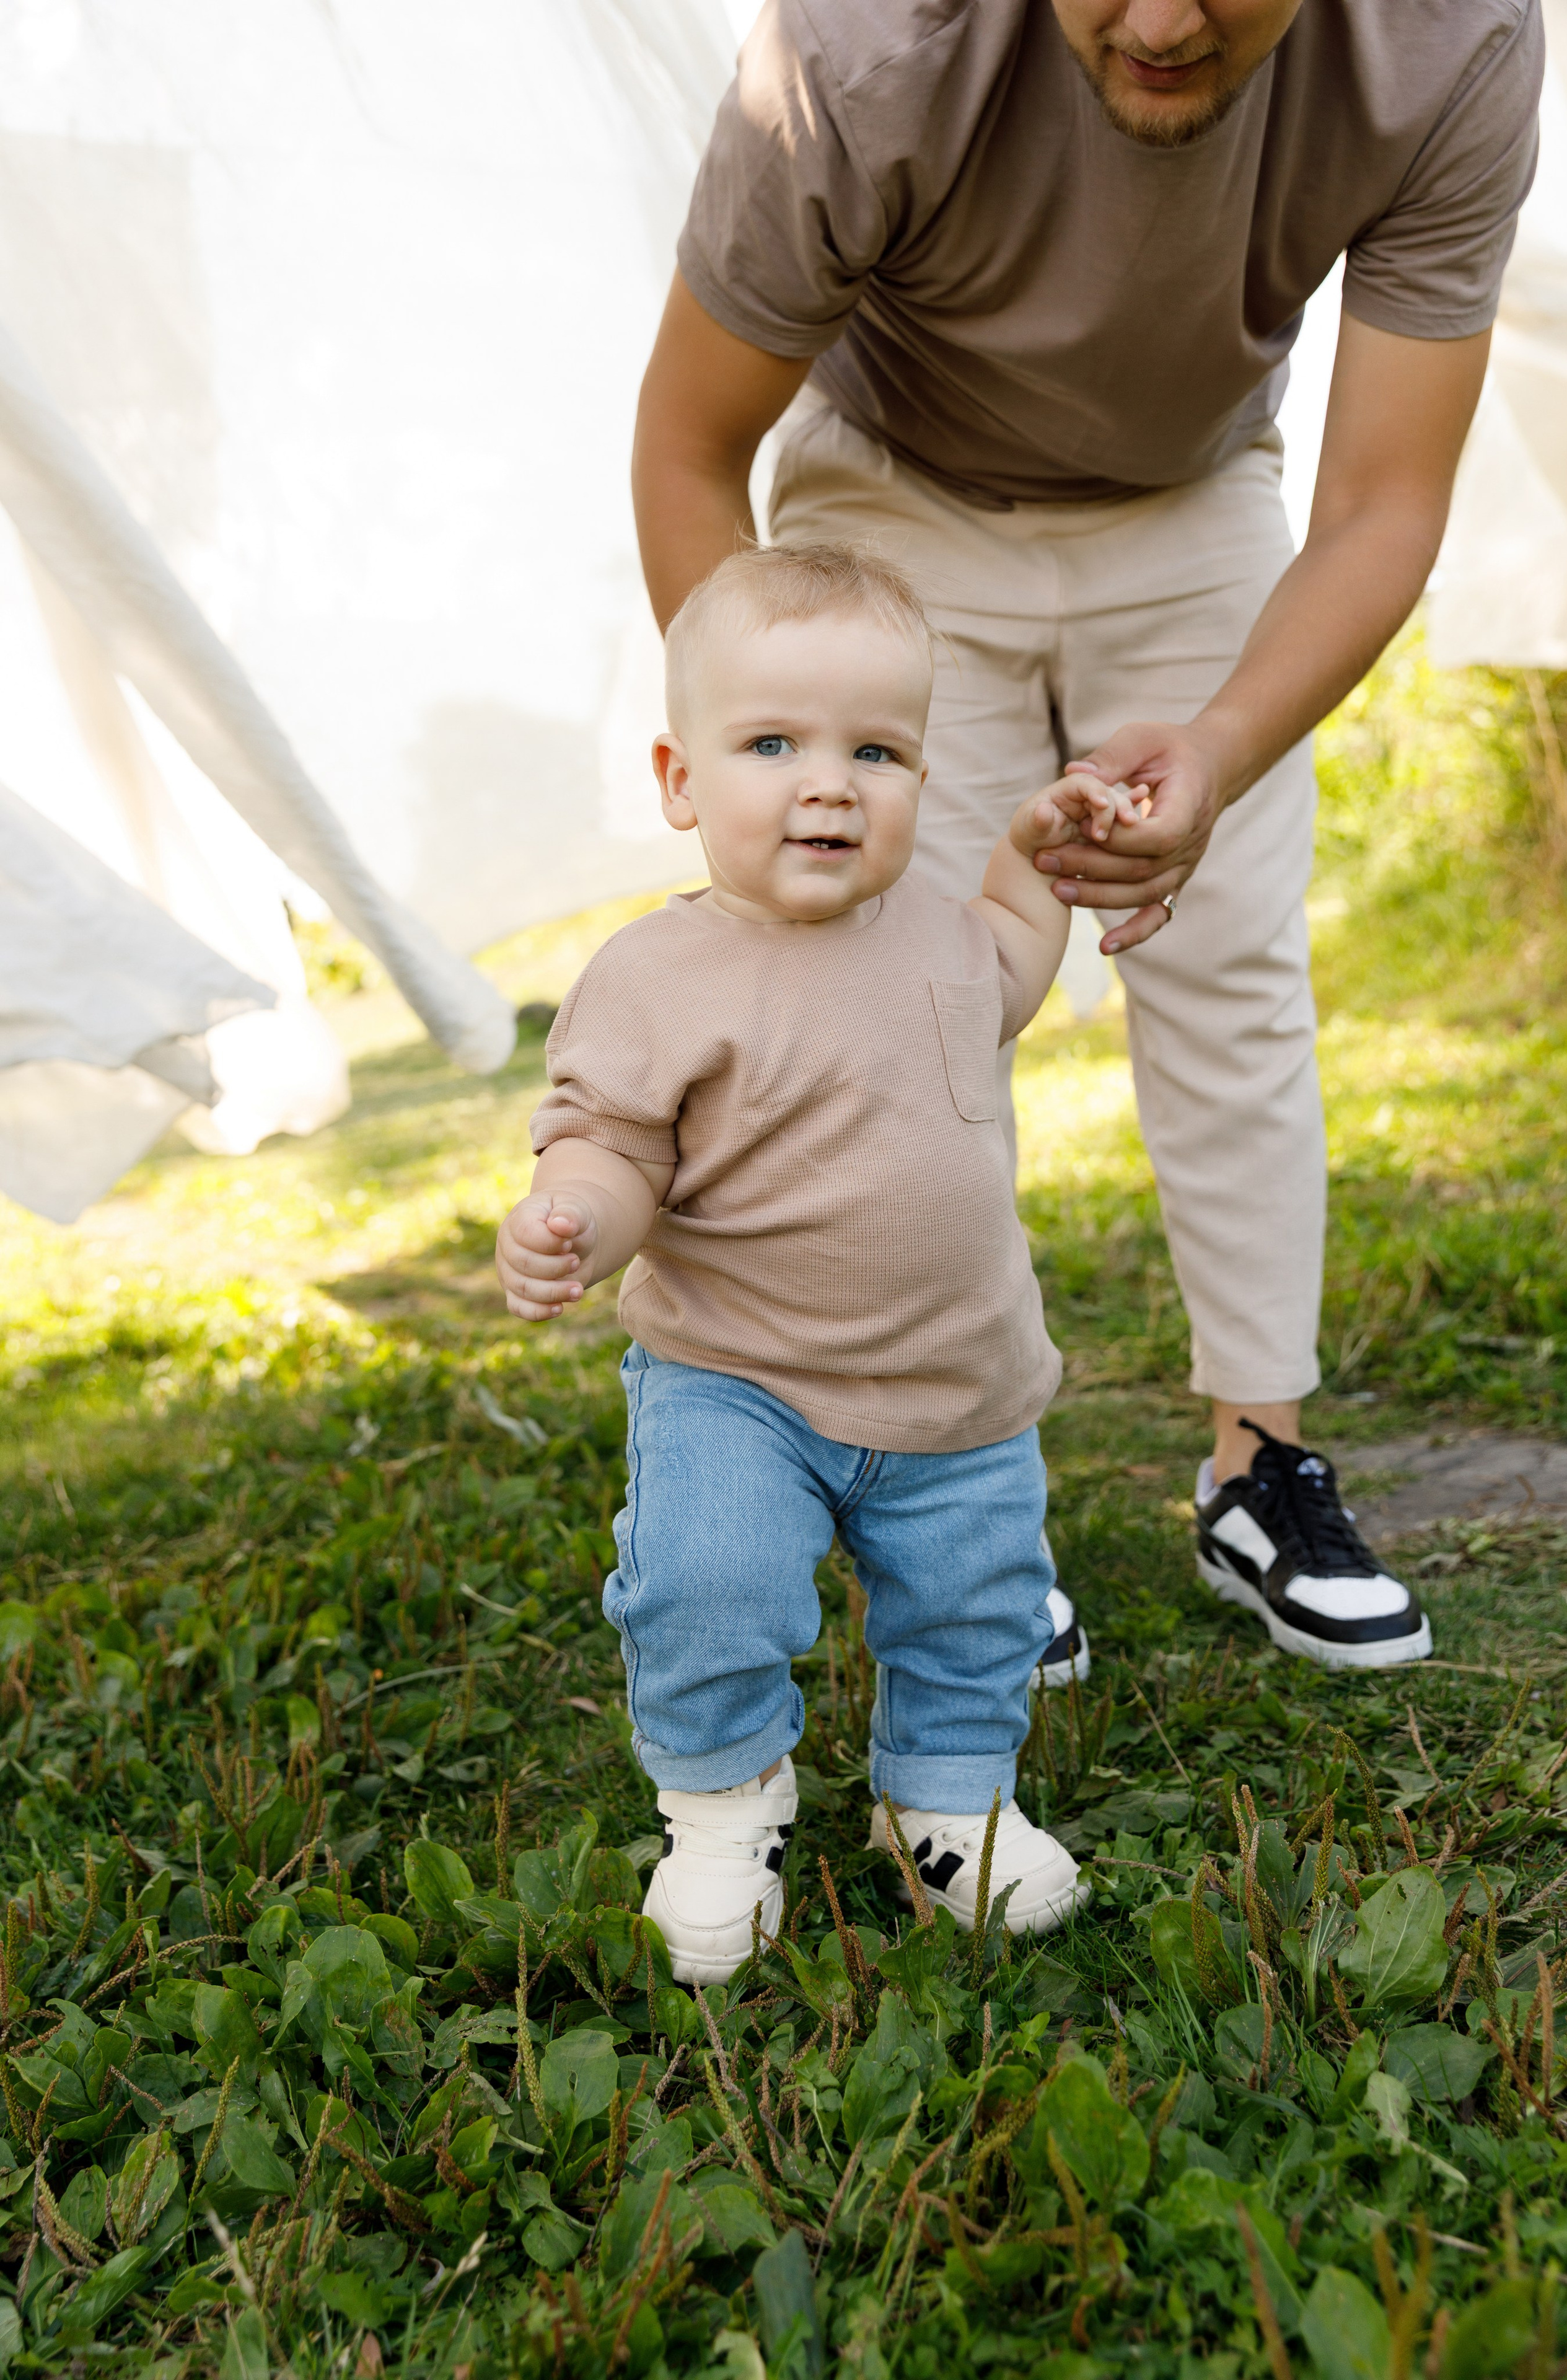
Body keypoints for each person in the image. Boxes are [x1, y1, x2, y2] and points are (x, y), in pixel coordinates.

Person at [629, 0, 1543, 1671]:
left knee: (1234, 962)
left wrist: (1219, 748)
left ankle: (1259, 1468)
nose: (1165, 21)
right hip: (897, 488)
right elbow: (691, 447)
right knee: (897, 1007)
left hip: (1196, 502)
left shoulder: (1456, 38)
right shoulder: (855, 54)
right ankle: (935, 1494)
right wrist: (774, 763)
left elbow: (1386, 504)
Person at [495, 544, 1134, 1980]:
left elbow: (1021, 954)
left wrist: (1038, 851)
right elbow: (608, 1144)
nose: (828, 781)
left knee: (975, 1608)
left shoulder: (944, 942)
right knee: (702, 1583)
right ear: (678, 780)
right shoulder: (656, 977)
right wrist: (573, 1222)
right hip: (741, 1382)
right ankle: (724, 1810)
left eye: (876, 749)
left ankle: (946, 1803)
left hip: (956, 1391)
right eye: (772, 743)